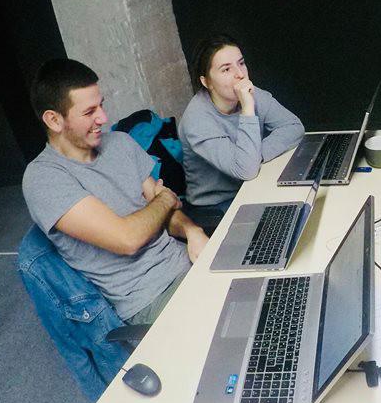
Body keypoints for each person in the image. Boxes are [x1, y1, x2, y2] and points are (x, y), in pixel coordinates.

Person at [22, 59, 207, 326]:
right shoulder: (43, 178)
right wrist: (166, 197)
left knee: (264, 282)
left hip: (186, 260)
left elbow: (164, 214)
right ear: (54, 120)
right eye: (89, 112)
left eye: (101, 105)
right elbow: (128, 238)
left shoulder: (120, 142)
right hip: (149, 298)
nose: (103, 118)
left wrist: (191, 231)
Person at [179, 34, 305, 211]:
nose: (240, 74)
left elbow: (294, 127)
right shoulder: (197, 120)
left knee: (307, 200)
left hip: (253, 185)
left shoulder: (247, 92)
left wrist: (255, 155)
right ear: (206, 82)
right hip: (217, 205)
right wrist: (248, 109)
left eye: (241, 63)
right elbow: (246, 170)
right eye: (226, 69)